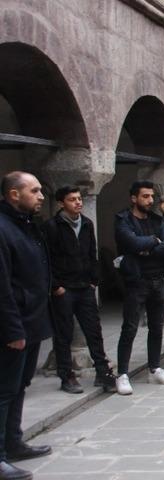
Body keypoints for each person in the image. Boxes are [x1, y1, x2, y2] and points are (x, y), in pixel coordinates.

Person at [0, 172, 53, 479]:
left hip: (31, 320)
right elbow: (2, 286)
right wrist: (12, 329)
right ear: (14, 194)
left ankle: (13, 442)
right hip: (14, 325)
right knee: (4, 390)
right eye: (34, 190)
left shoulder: (26, 224)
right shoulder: (3, 228)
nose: (41, 196)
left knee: (19, 386)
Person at [42, 186, 116, 394]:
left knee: (94, 331)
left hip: (85, 287)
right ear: (61, 203)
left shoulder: (86, 223)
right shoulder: (52, 226)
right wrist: (56, 286)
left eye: (79, 199)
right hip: (64, 289)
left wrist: (94, 280)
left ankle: (103, 372)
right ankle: (66, 376)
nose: (78, 202)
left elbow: (92, 253)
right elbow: (46, 259)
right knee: (63, 334)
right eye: (72, 199)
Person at [114, 180, 164, 395]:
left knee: (156, 327)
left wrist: (147, 247)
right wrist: (154, 241)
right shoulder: (123, 220)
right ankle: (122, 374)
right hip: (136, 281)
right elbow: (131, 243)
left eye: (152, 196)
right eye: (145, 196)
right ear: (134, 198)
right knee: (130, 328)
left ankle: (154, 368)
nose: (150, 200)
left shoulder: (157, 220)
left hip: (158, 279)